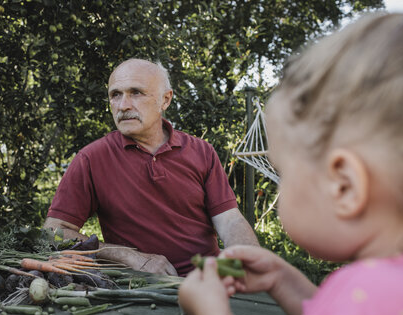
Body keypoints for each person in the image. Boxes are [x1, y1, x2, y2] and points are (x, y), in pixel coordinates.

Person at [178, 13, 403, 315]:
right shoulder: (385, 289)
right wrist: (282, 279)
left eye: (283, 173)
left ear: (344, 186)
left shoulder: (370, 294)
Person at [44, 58, 259, 276]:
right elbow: (54, 232)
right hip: (140, 288)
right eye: (115, 95)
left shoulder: (201, 151)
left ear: (165, 100)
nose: (123, 105)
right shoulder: (91, 158)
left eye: (136, 92)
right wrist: (129, 256)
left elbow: (229, 220)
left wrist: (251, 260)